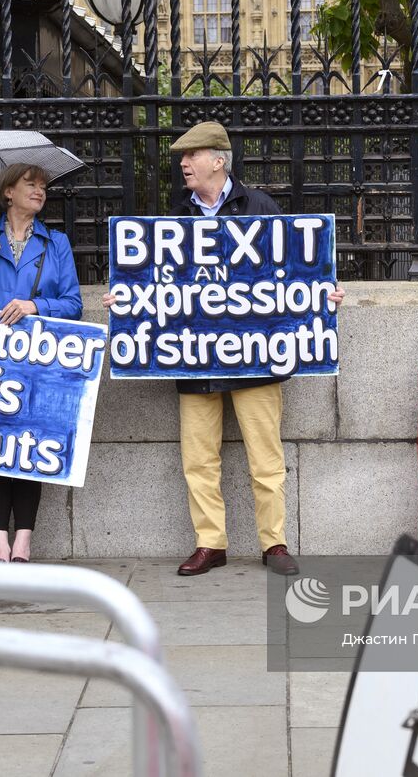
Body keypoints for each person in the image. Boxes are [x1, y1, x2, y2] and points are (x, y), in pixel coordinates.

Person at [105, 120, 342, 577]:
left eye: (191, 156)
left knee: (265, 456)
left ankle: (274, 543)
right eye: (183, 157)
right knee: (198, 458)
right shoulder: (178, 217)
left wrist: (323, 294)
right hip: (195, 361)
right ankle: (210, 543)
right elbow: (156, 281)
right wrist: (128, 300)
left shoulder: (260, 207)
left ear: (218, 160)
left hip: (254, 359)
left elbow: (295, 270)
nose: (183, 164)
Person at [0, 163, 83, 562]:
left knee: (29, 450)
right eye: (31, 184)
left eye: (43, 186)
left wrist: (34, 305)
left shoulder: (55, 241)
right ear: (7, 193)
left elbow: (74, 304)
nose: (39, 191)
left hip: (37, 360)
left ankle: (23, 541)